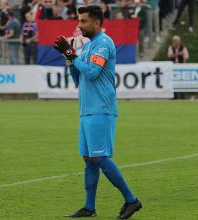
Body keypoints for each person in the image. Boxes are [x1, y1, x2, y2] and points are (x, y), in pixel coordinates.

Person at [53, 5, 142, 219]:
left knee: (100, 157)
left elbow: (93, 73)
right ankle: (89, 207)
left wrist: (72, 55)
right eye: (79, 20)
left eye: (84, 21)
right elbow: (79, 79)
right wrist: (69, 59)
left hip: (101, 109)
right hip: (87, 110)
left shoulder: (103, 43)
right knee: (89, 158)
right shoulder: (89, 47)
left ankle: (131, 200)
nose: (80, 25)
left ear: (97, 22)